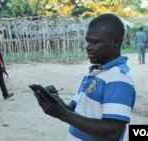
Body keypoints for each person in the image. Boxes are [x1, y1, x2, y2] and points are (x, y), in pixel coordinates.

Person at [33, 13, 136, 141]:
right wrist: (56, 100)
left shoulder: (118, 78)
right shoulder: (95, 72)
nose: (87, 47)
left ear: (115, 41)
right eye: (87, 41)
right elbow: (75, 110)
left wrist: (61, 114)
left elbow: (113, 131)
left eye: (95, 42)